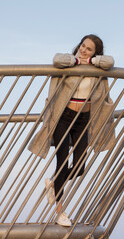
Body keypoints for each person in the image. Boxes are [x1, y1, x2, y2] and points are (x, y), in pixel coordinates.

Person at [28, 34, 115, 226]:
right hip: (63, 118)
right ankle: (60, 212)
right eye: (83, 46)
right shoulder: (69, 62)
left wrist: (91, 61)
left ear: (95, 53)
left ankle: (53, 182)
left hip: (83, 120)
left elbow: (110, 62)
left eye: (89, 49)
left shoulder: (97, 67)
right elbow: (57, 59)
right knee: (62, 162)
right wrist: (77, 60)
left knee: (80, 166)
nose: (84, 50)